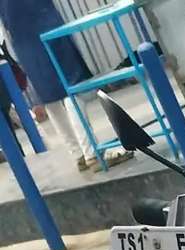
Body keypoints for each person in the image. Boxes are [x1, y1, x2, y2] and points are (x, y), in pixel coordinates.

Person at [0, 0, 132, 172]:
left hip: (21, 39)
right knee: (73, 86)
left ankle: (78, 154)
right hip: (45, 25)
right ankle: (92, 153)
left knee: (49, 96)